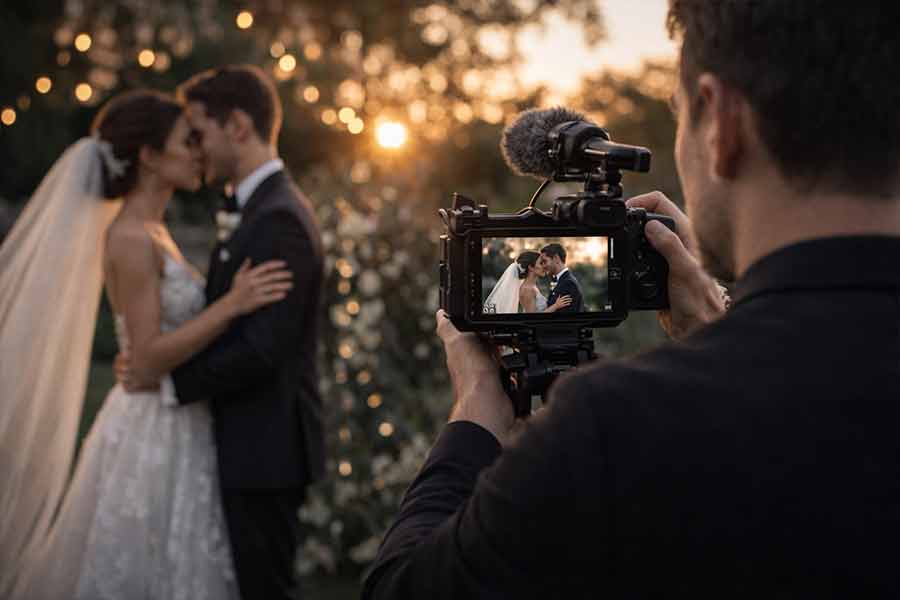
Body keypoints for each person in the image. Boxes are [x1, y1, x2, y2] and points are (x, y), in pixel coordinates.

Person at [363, 2, 900, 598]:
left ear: (720, 124)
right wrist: (724, 330)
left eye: (678, 117)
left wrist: (473, 413)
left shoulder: (618, 429)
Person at [0, 90, 292, 599]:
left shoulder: (154, 231)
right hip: (152, 425)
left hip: (179, 417)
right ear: (150, 157)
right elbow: (151, 358)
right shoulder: (131, 238)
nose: (198, 152)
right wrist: (232, 304)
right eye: (187, 141)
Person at [119, 65, 324, 600]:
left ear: (236, 126)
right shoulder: (254, 208)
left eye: (201, 132)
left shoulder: (277, 217)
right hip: (242, 445)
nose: (197, 148)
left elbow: (260, 349)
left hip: (264, 449)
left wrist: (166, 381)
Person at [483, 250, 571, 314]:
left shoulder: (532, 286)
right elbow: (533, 319)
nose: (545, 266)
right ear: (531, 267)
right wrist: (555, 306)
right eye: (541, 263)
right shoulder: (527, 289)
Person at [540, 243, 584, 313]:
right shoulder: (557, 280)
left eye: (545, 261)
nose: (543, 266)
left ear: (556, 258)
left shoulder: (568, 283)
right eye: (541, 263)